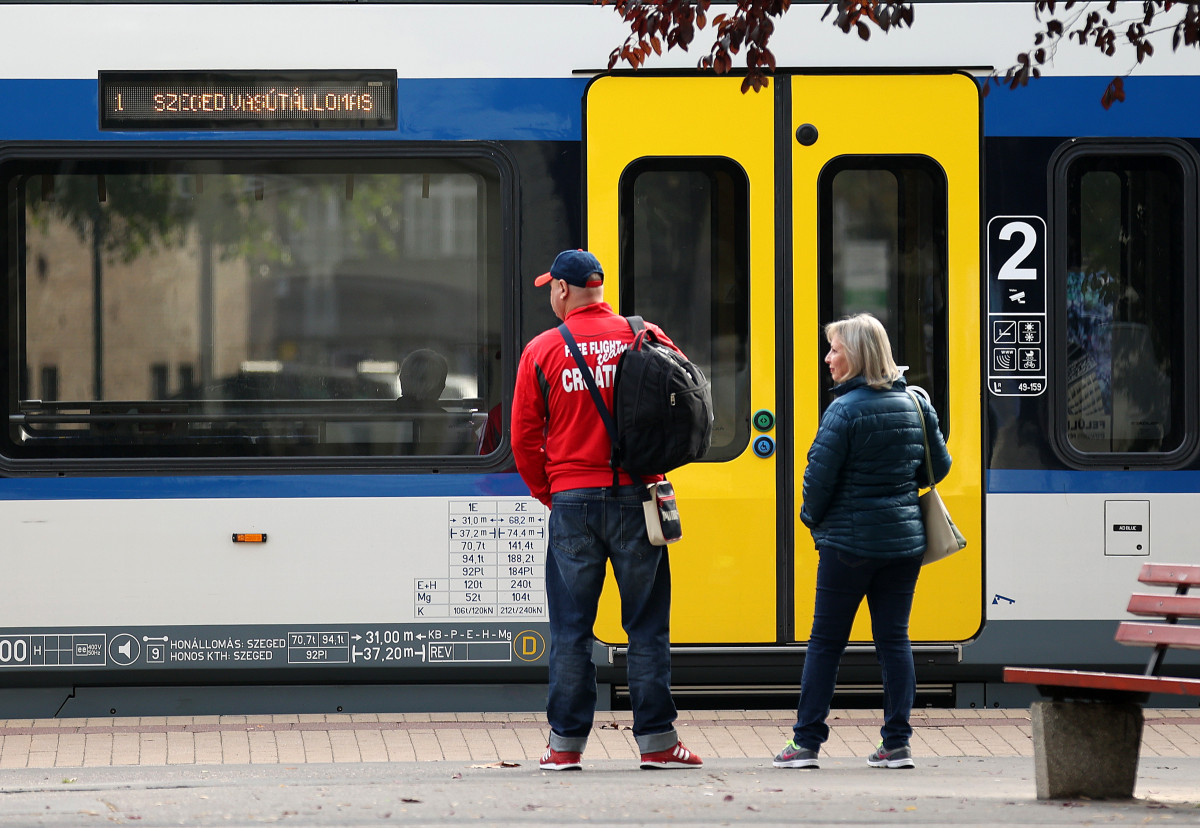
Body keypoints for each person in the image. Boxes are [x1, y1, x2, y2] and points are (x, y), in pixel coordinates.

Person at [511, 249, 702, 772]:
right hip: (640, 499)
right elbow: (689, 405)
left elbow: (524, 437)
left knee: (572, 629)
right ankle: (658, 743)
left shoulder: (543, 350)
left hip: (573, 502)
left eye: (552, 287)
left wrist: (549, 491)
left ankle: (564, 747)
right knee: (645, 624)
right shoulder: (646, 335)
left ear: (565, 291)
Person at [773, 313, 952, 772]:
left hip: (848, 547)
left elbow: (817, 481)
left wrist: (815, 522)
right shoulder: (916, 403)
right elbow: (939, 467)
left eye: (836, 349)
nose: (828, 358)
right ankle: (896, 743)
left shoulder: (844, 411)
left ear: (858, 356)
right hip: (904, 543)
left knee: (826, 643)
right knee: (894, 639)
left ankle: (806, 742)